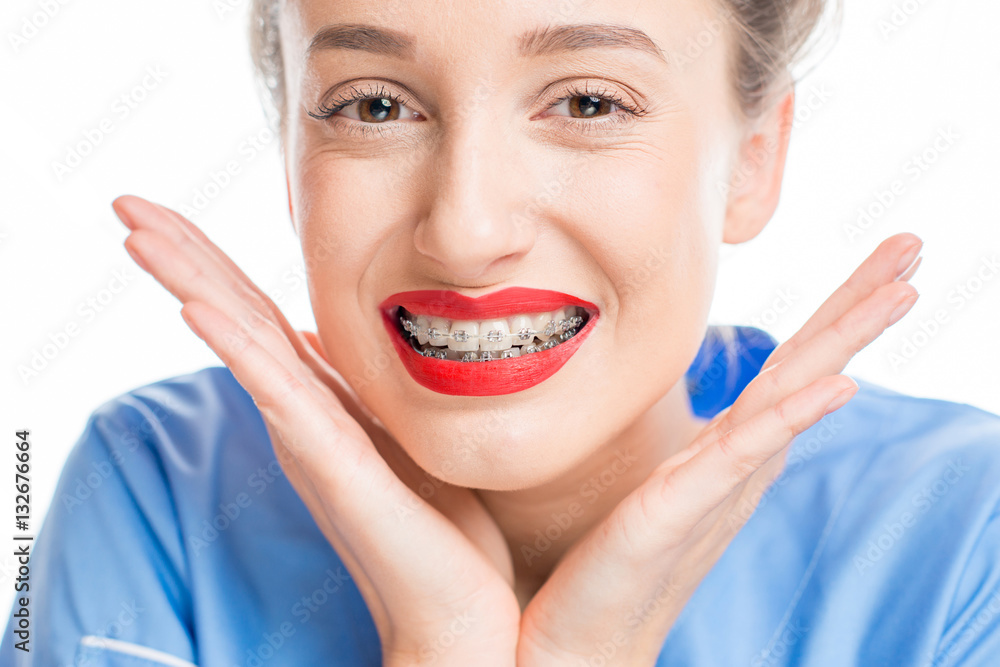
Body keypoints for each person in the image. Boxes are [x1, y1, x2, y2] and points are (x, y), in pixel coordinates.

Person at [4, 0, 1000, 665]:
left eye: (587, 101)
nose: (466, 230)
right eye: (377, 105)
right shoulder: (155, 490)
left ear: (752, 160)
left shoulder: (962, 533)